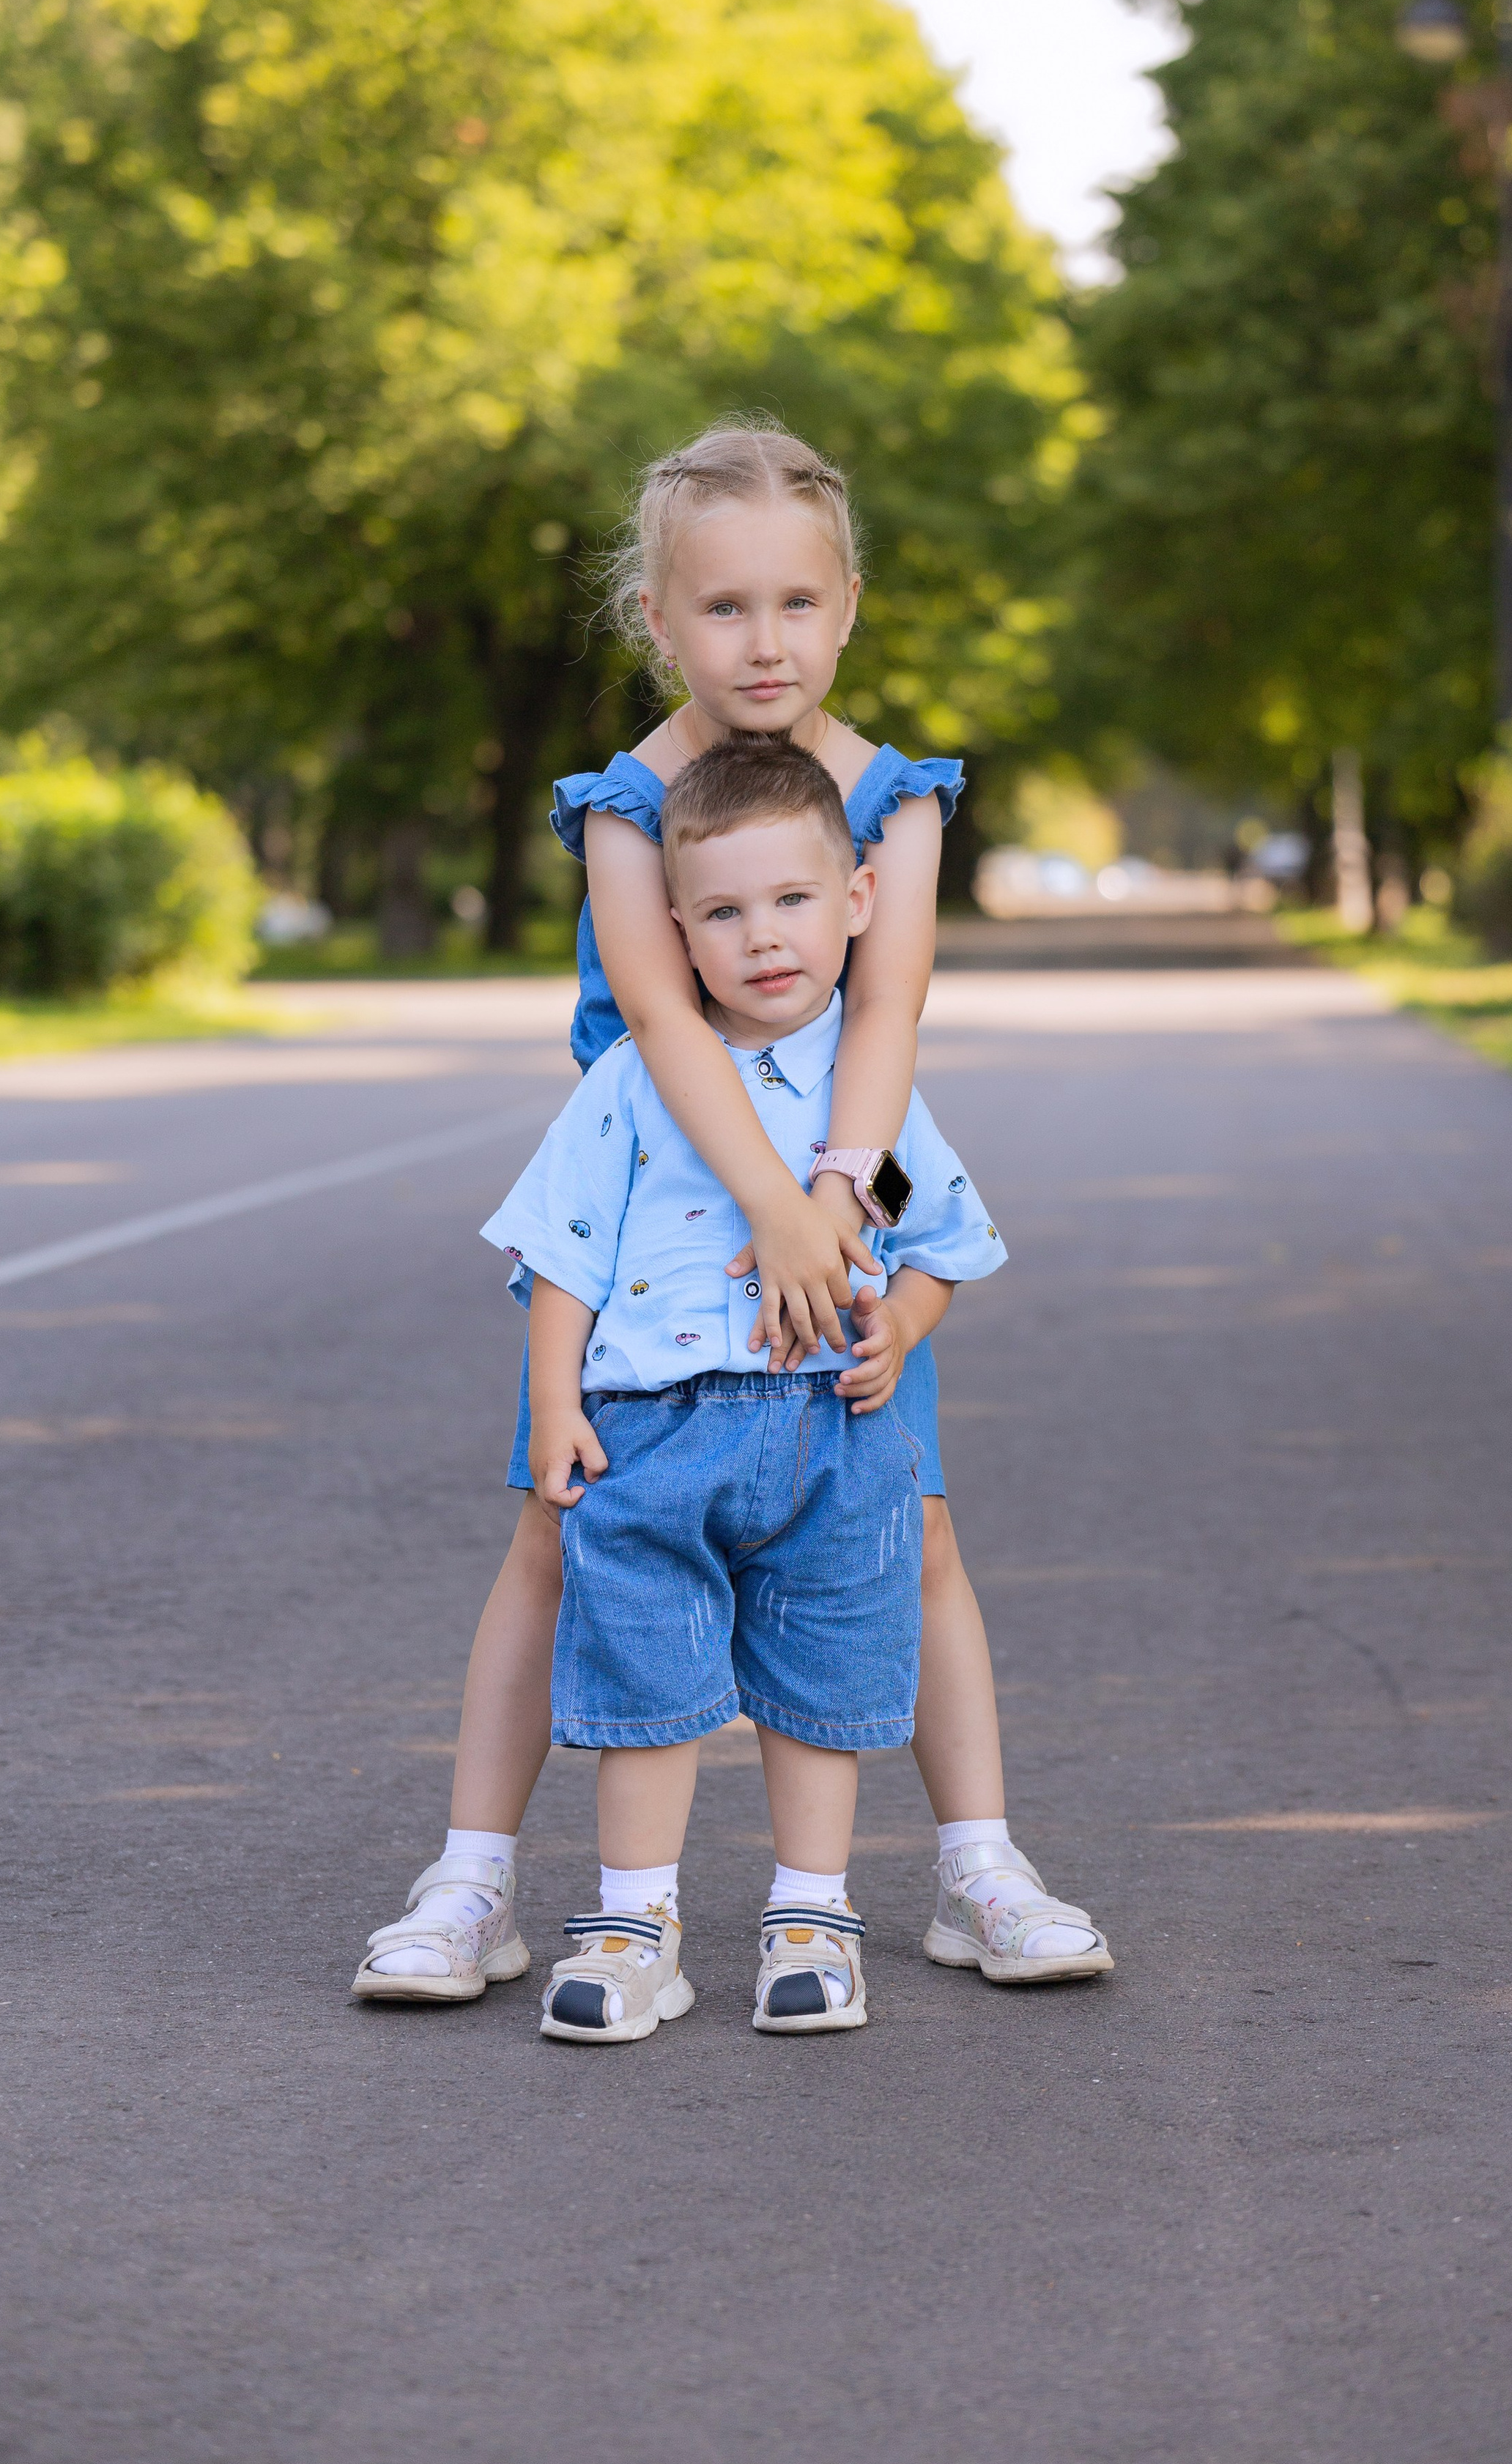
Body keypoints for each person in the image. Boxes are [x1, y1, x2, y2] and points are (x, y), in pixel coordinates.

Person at [352, 421, 1111, 2005]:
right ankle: (471, 1881)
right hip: (653, 1216)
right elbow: (660, 1018)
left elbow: (887, 1010)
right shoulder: (627, 805)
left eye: (794, 604)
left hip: (839, 1185)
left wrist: (835, 1205)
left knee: (910, 1531)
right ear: (656, 616)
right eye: (721, 609)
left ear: (845, 607)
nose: (761, 642)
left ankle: (977, 1864)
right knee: (561, 1536)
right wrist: (764, 1203)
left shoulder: (892, 801)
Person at [482, 739, 1015, 2038]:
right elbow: (565, 1254)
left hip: (833, 1429)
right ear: (675, 934)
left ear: (855, 905)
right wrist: (556, 1402)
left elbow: (928, 1237)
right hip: (652, 1430)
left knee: (821, 1676)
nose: (762, 938)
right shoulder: (636, 1087)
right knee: (641, 1671)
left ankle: (812, 1912)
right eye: (723, 913)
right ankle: (634, 1919)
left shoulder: (868, 1116)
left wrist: (899, 1324)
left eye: (789, 903)